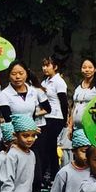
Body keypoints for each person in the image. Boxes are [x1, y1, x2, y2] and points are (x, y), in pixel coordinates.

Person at [0, 61, 51, 192]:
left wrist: (32, 128)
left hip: (31, 134)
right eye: (14, 74)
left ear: (27, 74)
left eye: (21, 73)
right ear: (9, 76)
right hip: (14, 135)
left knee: (34, 161)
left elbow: (44, 109)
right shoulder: (4, 94)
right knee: (14, 164)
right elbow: (8, 118)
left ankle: (35, 191)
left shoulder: (34, 91)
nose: (17, 77)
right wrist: (16, 136)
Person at [40, 56, 69, 184]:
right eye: (43, 65)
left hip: (56, 118)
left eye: (48, 65)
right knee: (49, 147)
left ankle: (50, 176)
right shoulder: (44, 82)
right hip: (45, 117)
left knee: (48, 146)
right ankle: (50, 177)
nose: (45, 68)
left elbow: (64, 102)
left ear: (55, 67)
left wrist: (64, 120)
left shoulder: (59, 82)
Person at [70, 58, 96, 128]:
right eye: (84, 67)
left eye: (90, 67)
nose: (87, 70)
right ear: (81, 69)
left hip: (91, 128)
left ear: (95, 69)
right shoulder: (78, 86)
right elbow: (74, 106)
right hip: (76, 128)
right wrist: (70, 126)